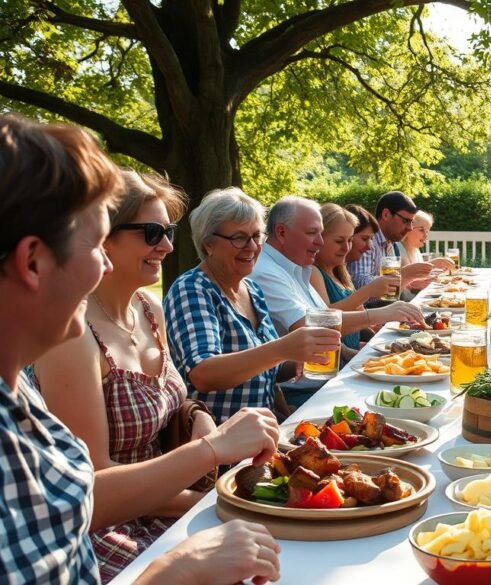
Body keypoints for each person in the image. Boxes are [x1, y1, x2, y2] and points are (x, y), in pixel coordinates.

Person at [0, 114, 281, 584]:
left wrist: (195, 418)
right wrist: (177, 569)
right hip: (129, 538)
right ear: (33, 260)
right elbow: (94, 499)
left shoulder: (18, 396)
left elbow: (75, 497)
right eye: (95, 246)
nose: (102, 266)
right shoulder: (67, 349)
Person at [163, 189, 342, 422]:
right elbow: (203, 373)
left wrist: (298, 359)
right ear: (209, 244)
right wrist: (282, 349)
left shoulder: (251, 289)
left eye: (257, 236)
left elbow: (266, 372)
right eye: (239, 237)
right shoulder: (192, 289)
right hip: (220, 443)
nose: (252, 246)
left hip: (264, 432)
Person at [249, 195, 422, 336]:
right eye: (312, 233)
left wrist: (351, 353)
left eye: (321, 233)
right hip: (313, 377)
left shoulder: (295, 266)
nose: (320, 242)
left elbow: (324, 316)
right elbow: (311, 326)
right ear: (281, 232)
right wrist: (380, 313)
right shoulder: (266, 271)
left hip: (325, 372)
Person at [311, 203, 399, 353]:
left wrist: (376, 341)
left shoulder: (341, 270)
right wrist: (366, 292)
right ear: (319, 239)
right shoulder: (314, 272)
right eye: (339, 241)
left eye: (350, 240)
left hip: (349, 355)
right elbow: (325, 318)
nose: (346, 248)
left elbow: (359, 320)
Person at [346, 191, 434, 300]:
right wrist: (402, 275)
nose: (410, 228)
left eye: (411, 222)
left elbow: (391, 295)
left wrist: (407, 280)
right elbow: (358, 283)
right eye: (406, 221)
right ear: (386, 214)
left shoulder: (390, 243)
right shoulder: (368, 242)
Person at [398, 210, 456, 296]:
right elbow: (407, 288)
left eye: (427, 231)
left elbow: (419, 281)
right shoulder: (398, 249)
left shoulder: (414, 249)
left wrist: (435, 273)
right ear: (408, 228)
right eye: (421, 230)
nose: (426, 235)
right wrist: (433, 264)